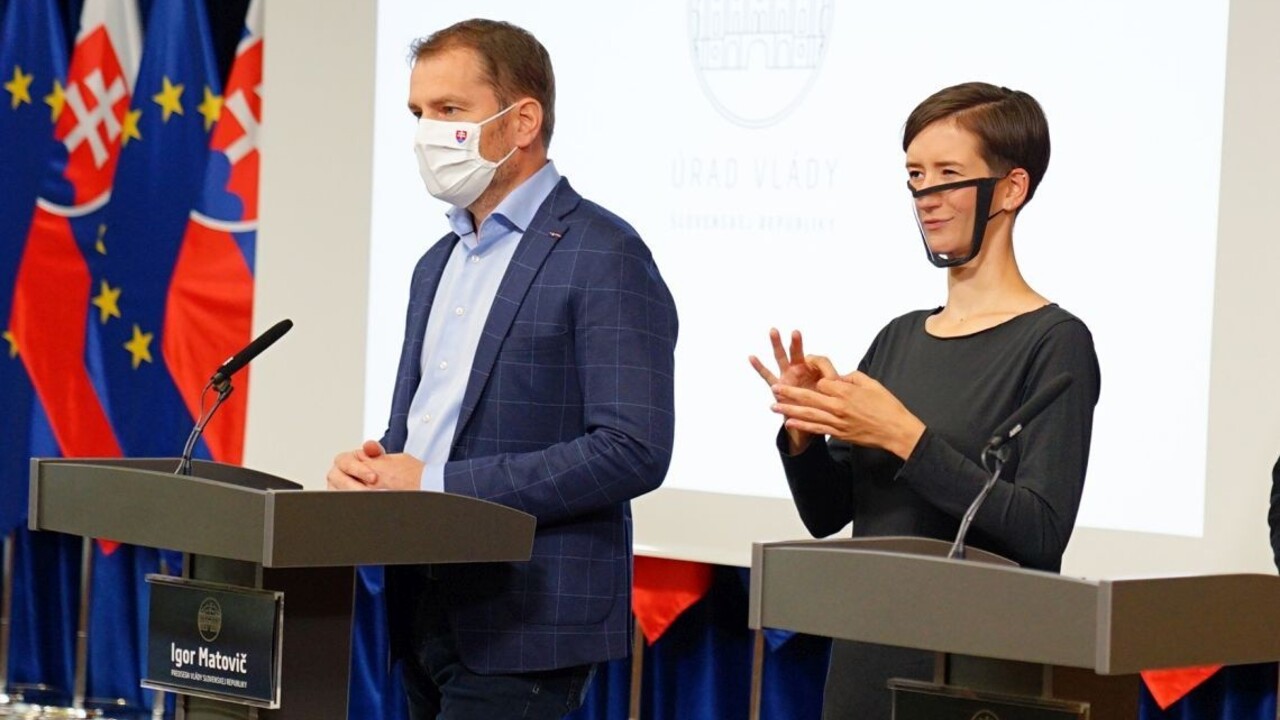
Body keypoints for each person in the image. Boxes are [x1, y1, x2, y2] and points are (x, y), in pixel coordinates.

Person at [327, 19, 678, 719]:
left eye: (449, 110)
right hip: (422, 606)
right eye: (418, 113)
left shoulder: (604, 254)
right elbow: (432, 433)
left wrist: (433, 484)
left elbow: (632, 449)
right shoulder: (436, 263)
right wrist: (378, 471)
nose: (427, 133)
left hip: (526, 618)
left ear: (522, 122)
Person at [750, 82, 1101, 719]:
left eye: (948, 175)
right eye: (916, 176)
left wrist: (905, 437)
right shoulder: (899, 337)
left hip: (974, 674)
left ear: (1012, 189)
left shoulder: (1055, 342)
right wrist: (804, 430)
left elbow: (1042, 532)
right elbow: (826, 516)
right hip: (864, 658)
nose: (926, 197)